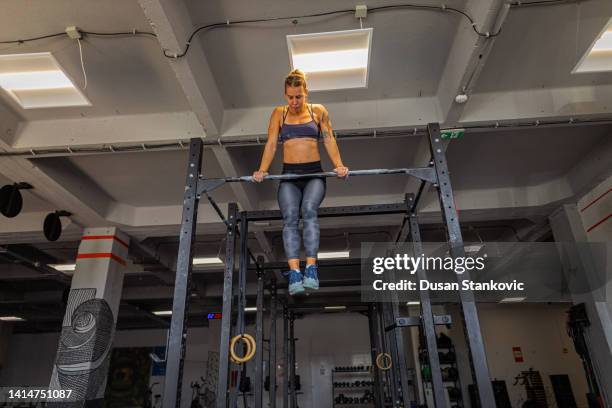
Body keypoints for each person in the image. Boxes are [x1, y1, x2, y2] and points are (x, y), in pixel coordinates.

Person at [252, 69, 349, 295]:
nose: (294, 101)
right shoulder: (279, 113)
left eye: (299, 96)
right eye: (290, 97)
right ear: (285, 95)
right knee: (289, 218)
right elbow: (271, 144)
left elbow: (329, 140)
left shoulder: (318, 112)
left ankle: (312, 269)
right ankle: (295, 273)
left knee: (308, 210)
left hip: (314, 174)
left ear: (306, 93)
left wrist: (339, 165)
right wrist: (262, 170)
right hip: (289, 176)